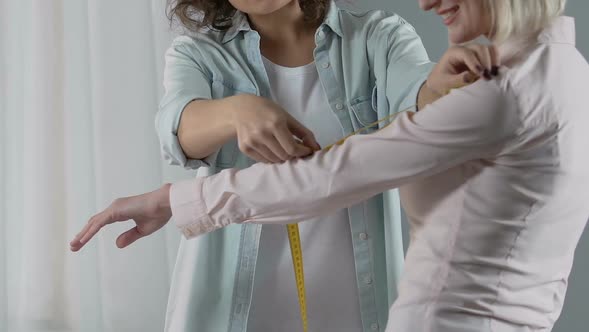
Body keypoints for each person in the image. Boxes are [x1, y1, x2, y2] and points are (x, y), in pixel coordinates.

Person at [71, 0, 503, 331]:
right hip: (230, 312)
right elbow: (178, 126)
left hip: (357, 310)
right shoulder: (199, 54)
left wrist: (441, 88)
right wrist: (236, 111)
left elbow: (418, 97)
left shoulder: (378, 38)